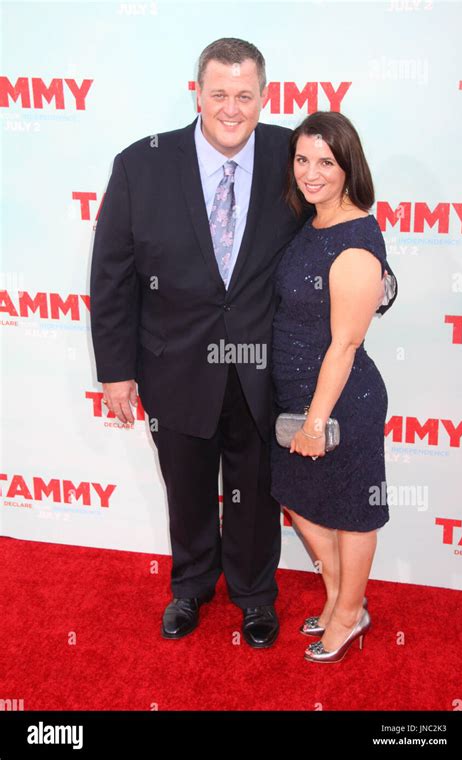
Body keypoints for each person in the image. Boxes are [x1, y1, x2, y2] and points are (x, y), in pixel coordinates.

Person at [90, 38, 396, 650]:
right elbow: (112, 273)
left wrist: (380, 282)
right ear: (197, 93)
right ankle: (191, 585)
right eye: (219, 93)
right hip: (173, 363)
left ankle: (256, 596)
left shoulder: (295, 154)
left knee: (256, 491)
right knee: (186, 485)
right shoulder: (140, 163)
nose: (232, 108)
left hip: (264, 371)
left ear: (264, 97)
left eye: (245, 95)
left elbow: (348, 226)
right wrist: (116, 371)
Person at [270, 111, 398, 663]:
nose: (311, 172)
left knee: (350, 511)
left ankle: (348, 615)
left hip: (342, 401)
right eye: (303, 159)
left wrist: (317, 420)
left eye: (326, 162)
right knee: (299, 500)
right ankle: (340, 595)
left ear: (349, 168)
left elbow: (344, 345)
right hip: (296, 396)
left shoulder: (354, 242)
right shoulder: (313, 220)